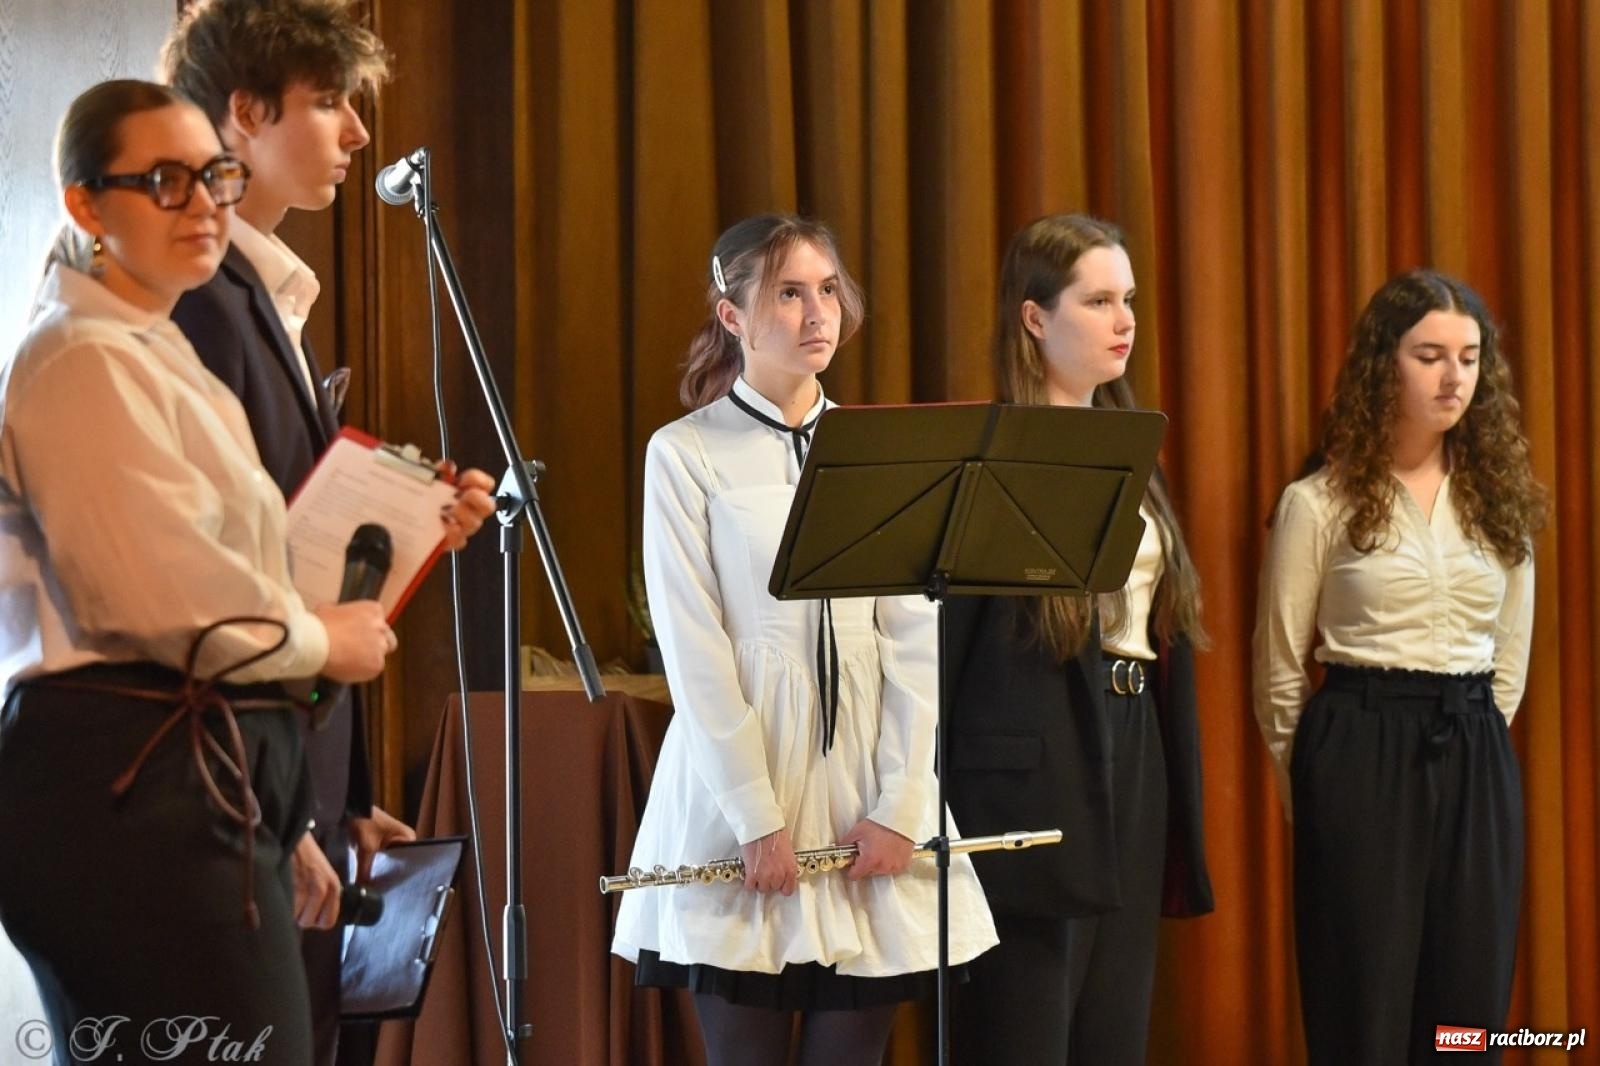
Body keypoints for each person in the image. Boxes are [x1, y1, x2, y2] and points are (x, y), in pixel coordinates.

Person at [0, 79, 396, 1065]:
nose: (207, 205)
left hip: (195, 773)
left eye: (213, 176)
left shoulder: (151, 343)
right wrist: (321, 638)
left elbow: (222, 572)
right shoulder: (79, 355)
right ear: (86, 204)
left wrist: (283, 807)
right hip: (129, 784)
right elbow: (157, 595)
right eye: (165, 182)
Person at [160, 3, 494, 1058]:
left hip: (289, 788)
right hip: (227, 797)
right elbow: (214, 575)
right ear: (244, 116)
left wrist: (404, 517)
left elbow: (298, 548)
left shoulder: (265, 293)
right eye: (330, 103)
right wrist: (291, 816)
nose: (357, 133)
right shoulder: (202, 302)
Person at [610, 213, 997, 1066]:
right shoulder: (684, 454)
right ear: (732, 315)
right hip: (744, 791)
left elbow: (912, 641)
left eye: (827, 289)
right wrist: (755, 817)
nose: (817, 312)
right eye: (788, 292)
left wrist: (900, 805)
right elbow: (696, 648)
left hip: (865, 793)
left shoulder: (884, 451)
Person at [1253, 269, 1544, 1064]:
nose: (1454, 377)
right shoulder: (1320, 501)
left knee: (1469, 1004)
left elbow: (1509, 659)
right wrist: (1312, 785)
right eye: (1429, 355)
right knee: (1363, 995)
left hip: (1473, 741)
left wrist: (1476, 741)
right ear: (1385, 363)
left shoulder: (1502, 502)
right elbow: (1279, 670)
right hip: (1359, 742)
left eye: (1470, 357)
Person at [945, 213, 1214, 1065]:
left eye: (1128, 299)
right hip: (1036, 770)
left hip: (1136, 753)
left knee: (1113, 1025)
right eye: (1098, 301)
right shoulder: (991, 456)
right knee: (1030, 1022)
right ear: (1035, 318)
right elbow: (948, 656)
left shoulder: (1136, 451)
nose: (1125, 320)